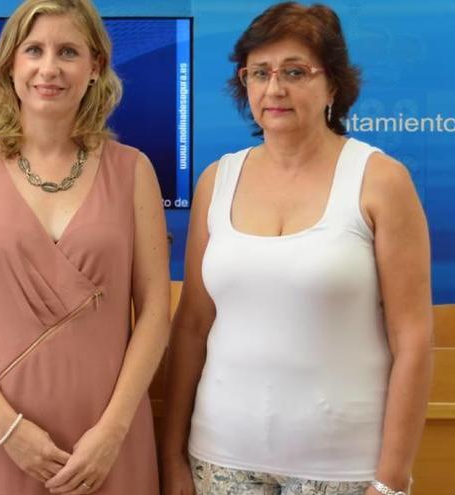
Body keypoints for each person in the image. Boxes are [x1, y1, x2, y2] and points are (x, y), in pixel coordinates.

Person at [161, 3, 433, 495]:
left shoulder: (380, 181)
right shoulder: (216, 180)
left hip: (342, 469)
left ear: (334, 84)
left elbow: (413, 338)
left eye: (295, 72)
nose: (274, 89)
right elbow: (193, 325)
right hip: (221, 460)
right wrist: (171, 456)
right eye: (259, 73)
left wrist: (391, 481)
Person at [0, 0, 171, 493]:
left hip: (107, 438)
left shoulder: (134, 171)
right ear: (10, 65)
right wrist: (8, 429)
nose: (49, 68)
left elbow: (154, 313)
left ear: (95, 66)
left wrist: (113, 431)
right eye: (33, 50)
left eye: (68, 51)